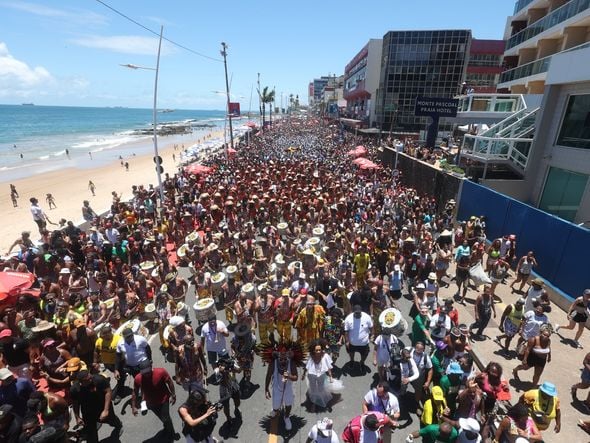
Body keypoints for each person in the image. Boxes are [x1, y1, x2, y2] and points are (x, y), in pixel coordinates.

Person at [259, 340, 304, 431]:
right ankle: (275, 410)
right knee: (276, 406)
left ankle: (286, 417)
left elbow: (296, 377)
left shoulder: (291, 362)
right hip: (276, 387)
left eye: (285, 356)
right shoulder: (273, 363)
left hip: (288, 388)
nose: (283, 360)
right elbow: (268, 375)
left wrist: (289, 376)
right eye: (281, 357)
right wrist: (266, 389)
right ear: (278, 355)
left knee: (288, 404)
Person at [131, 359, 179, 441]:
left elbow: (170, 382)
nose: (146, 375)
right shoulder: (138, 379)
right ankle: (167, 428)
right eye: (144, 373)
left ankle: (171, 434)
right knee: (162, 417)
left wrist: (173, 394)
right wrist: (133, 406)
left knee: (165, 418)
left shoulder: (161, 372)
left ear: (151, 367)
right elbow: (135, 392)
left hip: (164, 399)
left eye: (148, 372)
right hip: (151, 403)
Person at [70, 369, 122, 443]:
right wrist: (77, 417)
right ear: (81, 382)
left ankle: (118, 425)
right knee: (91, 434)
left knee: (111, 420)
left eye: (91, 377)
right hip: (87, 412)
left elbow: (108, 391)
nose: (91, 380)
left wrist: (106, 410)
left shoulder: (99, 379)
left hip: (102, 406)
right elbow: (75, 403)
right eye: (88, 380)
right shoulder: (74, 389)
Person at [114, 327, 152, 403]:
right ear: (123, 337)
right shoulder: (120, 343)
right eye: (128, 336)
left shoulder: (140, 339)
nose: (130, 337)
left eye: (131, 335)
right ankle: (144, 393)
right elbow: (118, 357)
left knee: (147, 379)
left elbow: (148, 349)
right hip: (131, 366)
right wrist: (116, 369)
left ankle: (149, 394)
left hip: (143, 363)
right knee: (138, 380)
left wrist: (150, 360)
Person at [302, 338, 334, 409]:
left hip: (321, 375)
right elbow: (306, 366)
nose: (319, 351)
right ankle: (314, 402)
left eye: (320, 350)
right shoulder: (310, 356)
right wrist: (303, 375)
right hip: (311, 375)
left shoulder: (325, 356)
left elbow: (328, 367)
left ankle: (322, 399)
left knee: (320, 388)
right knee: (313, 389)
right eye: (316, 350)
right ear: (313, 350)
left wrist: (331, 377)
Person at [344, 304, 374, 371]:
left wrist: (372, 335)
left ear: (361, 311)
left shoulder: (367, 317)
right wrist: (347, 341)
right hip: (352, 343)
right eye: (356, 313)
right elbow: (346, 331)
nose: (358, 314)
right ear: (353, 311)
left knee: (364, 354)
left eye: (359, 313)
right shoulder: (348, 319)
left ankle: (362, 362)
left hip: (364, 343)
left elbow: (371, 327)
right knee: (351, 353)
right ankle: (352, 361)